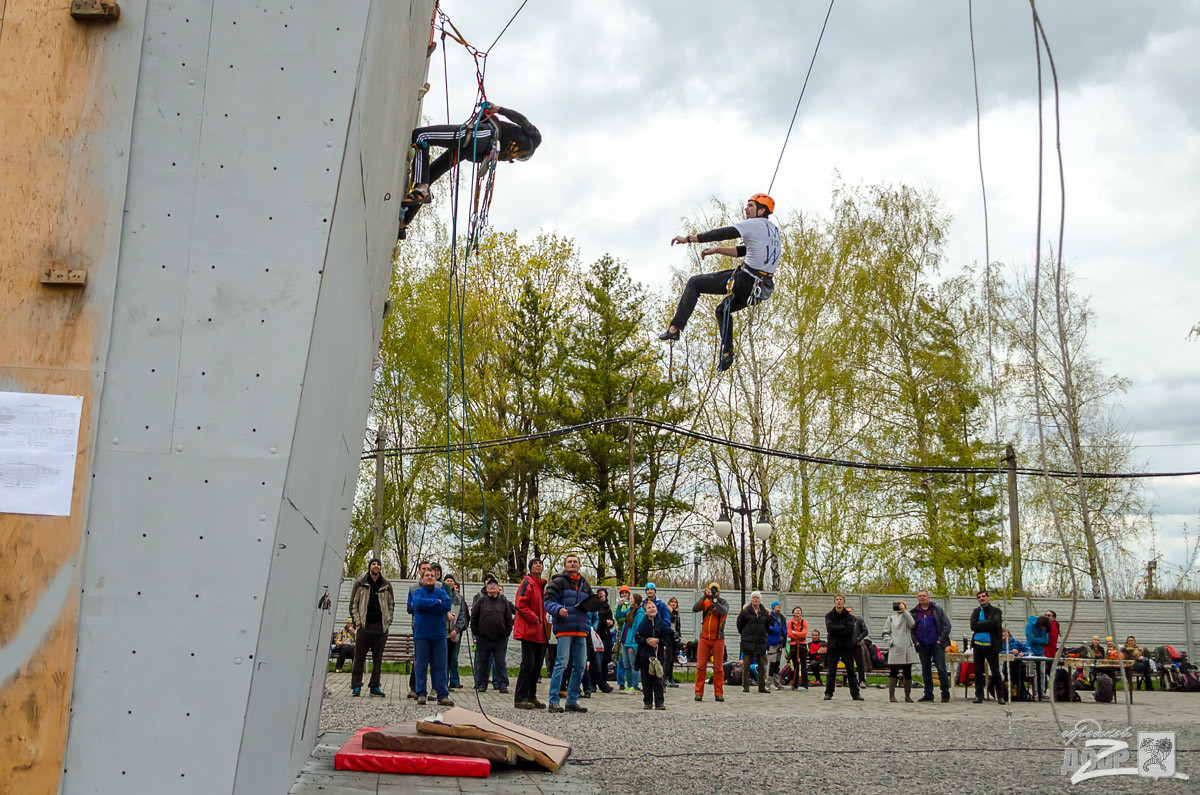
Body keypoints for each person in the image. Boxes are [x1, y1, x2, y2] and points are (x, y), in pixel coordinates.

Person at [660, 194, 782, 371]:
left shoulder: (752, 224)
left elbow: (721, 233)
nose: (746, 209)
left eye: (750, 206)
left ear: (761, 210)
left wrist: (688, 239)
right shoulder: (773, 231)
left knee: (695, 283)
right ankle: (727, 354)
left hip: (745, 281)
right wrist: (718, 250)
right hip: (761, 290)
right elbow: (744, 250)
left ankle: (675, 328)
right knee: (723, 309)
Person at [397, 104, 541, 236]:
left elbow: (522, 120)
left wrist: (498, 109)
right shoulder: (509, 155)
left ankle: (422, 190)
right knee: (432, 173)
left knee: (422, 136)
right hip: (470, 151)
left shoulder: (534, 138)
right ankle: (404, 223)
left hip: (481, 135)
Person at [542, 554, 594, 713]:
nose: (572, 564)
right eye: (570, 562)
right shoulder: (558, 582)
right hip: (565, 628)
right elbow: (547, 602)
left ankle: (571, 701)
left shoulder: (585, 584)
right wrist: (558, 610)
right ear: (565, 565)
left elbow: (590, 605)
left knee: (580, 666)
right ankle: (553, 701)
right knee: (561, 664)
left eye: (575, 562)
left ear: (579, 565)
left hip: (581, 631)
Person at [349, 557, 395, 698]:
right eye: (374, 564)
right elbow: (353, 605)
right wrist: (357, 622)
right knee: (359, 658)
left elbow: (391, 605)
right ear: (369, 567)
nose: (376, 566)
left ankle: (375, 686)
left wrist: (388, 622)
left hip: (380, 628)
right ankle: (356, 685)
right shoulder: (360, 584)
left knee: (378, 660)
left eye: (378, 564)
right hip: (364, 627)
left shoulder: (386, 585)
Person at [410, 567, 455, 707]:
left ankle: (442, 695)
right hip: (422, 635)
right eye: (427, 575)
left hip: (439, 636)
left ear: (435, 579)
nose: (430, 577)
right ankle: (421, 693)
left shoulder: (441, 592)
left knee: (440, 666)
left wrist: (432, 606)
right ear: (422, 579)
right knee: (421, 665)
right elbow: (417, 604)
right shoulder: (417, 592)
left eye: (432, 575)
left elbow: (447, 605)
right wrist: (437, 604)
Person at [513, 557, 548, 709]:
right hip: (528, 630)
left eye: (540, 564)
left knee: (537, 665)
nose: (538, 565)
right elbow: (520, 603)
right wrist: (534, 619)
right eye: (535, 564)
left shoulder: (541, 586)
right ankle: (520, 697)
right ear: (530, 568)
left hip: (540, 632)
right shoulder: (527, 582)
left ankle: (531, 696)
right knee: (528, 664)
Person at [471, 575, 514, 693]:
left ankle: (502, 684)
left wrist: (506, 633)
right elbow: (474, 618)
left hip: (500, 639)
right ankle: (481, 684)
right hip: (483, 638)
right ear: (486, 587)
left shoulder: (504, 601)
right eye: (489, 585)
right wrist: (476, 633)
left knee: (500, 663)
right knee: (482, 662)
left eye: (494, 585)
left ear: (498, 587)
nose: (492, 587)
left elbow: (509, 619)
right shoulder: (481, 601)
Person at [911, 589, 953, 703]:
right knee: (925, 670)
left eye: (924, 596)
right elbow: (911, 629)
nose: (922, 598)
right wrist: (916, 642)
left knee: (941, 669)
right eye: (920, 596)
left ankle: (945, 693)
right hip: (922, 645)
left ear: (929, 597)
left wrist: (940, 640)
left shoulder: (937, 610)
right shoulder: (914, 612)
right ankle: (928, 694)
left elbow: (946, 626)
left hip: (936, 644)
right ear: (917, 598)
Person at [692, 583, 729, 702]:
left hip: (718, 638)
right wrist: (704, 596)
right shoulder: (706, 602)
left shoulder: (723, 603)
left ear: (719, 592)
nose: (714, 592)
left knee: (718, 668)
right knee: (700, 666)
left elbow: (722, 612)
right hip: (704, 638)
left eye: (716, 591)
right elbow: (695, 608)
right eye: (713, 590)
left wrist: (715, 600)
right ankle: (698, 693)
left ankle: (719, 693)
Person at [969, 590, 1005, 704]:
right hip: (978, 646)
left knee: (995, 671)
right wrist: (986, 624)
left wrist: (981, 623)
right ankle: (979, 696)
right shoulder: (976, 611)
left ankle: (1000, 696)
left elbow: (995, 624)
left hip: (992, 646)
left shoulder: (996, 611)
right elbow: (973, 626)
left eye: (983, 596)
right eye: (979, 597)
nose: (981, 598)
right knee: (978, 671)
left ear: (988, 598)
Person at [824, 595, 863, 700]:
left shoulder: (850, 617)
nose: (839, 601)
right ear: (834, 602)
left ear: (844, 602)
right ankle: (828, 693)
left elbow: (850, 630)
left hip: (846, 646)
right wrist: (843, 628)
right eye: (837, 600)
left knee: (851, 670)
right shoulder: (829, 615)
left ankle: (855, 694)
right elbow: (830, 629)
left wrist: (837, 629)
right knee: (831, 671)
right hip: (833, 646)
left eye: (841, 600)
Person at [635, 599, 672, 710]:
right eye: (649, 608)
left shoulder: (662, 624)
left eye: (653, 607)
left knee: (658, 680)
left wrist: (658, 641)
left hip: (658, 656)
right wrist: (647, 641)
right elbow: (637, 638)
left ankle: (659, 702)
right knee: (646, 680)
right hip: (645, 656)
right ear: (645, 612)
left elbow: (667, 638)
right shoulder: (642, 625)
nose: (652, 609)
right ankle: (647, 702)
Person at [404, 560, 432, 699]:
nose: (426, 571)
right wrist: (425, 605)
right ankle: (414, 688)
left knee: (436, 661)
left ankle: (436, 690)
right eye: (423, 569)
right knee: (419, 659)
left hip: (435, 628)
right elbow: (409, 608)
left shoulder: (438, 587)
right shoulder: (413, 588)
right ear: (419, 571)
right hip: (419, 627)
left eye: (428, 568)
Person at [881, 600, 917, 703]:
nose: (899, 607)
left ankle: (907, 695)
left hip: (907, 647)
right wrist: (891, 642)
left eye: (902, 605)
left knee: (907, 672)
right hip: (895, 647)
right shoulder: (891, 618)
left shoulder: (907, 616)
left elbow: (912, 624)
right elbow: (885, 632)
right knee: (893, 671)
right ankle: (891, 695)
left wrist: (904, 612)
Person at [737, 591, 772, 694]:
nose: (755, 599)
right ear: (751, 599)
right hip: (748, 641)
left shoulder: (764, 612)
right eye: (754, 598)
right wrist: (744, 634)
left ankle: (762, 686)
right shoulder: (745, 612)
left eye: (757, 598)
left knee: (762, 665)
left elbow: (768, 625)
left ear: (760, 599)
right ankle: (746, 686)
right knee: (746, 665)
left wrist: (763, 634)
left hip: (760, 642)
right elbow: (739, 624)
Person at [442, 574, 469, 690]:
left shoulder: (459, 598)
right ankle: (442, 683)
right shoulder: (440, 594)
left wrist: (456, 630)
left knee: (451, 658)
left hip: (454, 634)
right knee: (442, 660)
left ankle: (451, 682)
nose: (449, 582)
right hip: (441, 633)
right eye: (447, 580)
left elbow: (463, 616)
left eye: (451, 580)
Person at [619, 594, 645, 694]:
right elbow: (619, 615)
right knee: (626, 665)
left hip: (632, 643)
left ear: (636, 601)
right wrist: (620, 605)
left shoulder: (639, 614)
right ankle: (629, 685)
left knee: (634, 664)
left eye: (631, 598)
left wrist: (634, 645)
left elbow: (638, 630)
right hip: (624, 640)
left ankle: (634, 686)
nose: (629, 600)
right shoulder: (629, 610)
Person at [1025, 614, 1051, 701]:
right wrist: (1040, 639)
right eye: (1043, 627)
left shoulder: (1045, 628)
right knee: (1033, 673)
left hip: (1041, 652)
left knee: (1042, 673)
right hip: (1031, 652)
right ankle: (1035, 692)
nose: (1043, 629)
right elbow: (1030, 640)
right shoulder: (1029, 625)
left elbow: (1046, 641)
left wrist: (1036, 639)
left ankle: (1042, 692)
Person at [595, 588, 617, 690]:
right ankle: (594, 682)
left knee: (604, 660)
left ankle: (603, 681)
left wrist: (611, 622)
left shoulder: (607, 607)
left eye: (603, 594)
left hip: (605, 636)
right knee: (596, 660)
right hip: (596, 635)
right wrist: (605, 622)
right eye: (599, 595)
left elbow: (611, 620)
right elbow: (595, 620)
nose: (601, 596)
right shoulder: (594, 607)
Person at [613, 586, 634, 690]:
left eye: (626, 593)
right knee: (621, 659)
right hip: (621, 632)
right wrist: (626, 619)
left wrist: (626, 619)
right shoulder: (617, 605)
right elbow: (618, 618)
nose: (624, 595)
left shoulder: (632, 605)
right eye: (622, 593)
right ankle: (621, 682)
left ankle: (632, 683)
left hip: (630, 633)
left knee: (631, 660)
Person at [786, 606, 810, 691]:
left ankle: (805, 685)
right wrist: (798, 634)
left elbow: (804, 634)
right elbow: (789, 634)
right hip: (793, 644)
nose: (798, 612)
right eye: (796, 611)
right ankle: (794, 684)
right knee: (794, 664)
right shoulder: (790, 623)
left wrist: (795, 632)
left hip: (802, 644)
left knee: (803, 664)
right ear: (793, 613)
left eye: (799, 611)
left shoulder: (804, 622)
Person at [846, 606, 871, 686]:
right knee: (848, 664)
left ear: (853, 612)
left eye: (850, 611)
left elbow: (865, 631)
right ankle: (850, 681)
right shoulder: (843, 622)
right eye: (847, 612)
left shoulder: (858, 621)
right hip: (847, 646)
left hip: (857, 645)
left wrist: (858, 638)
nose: (848, 613)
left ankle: (862, 681)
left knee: (860, 664)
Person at [766, 600, 787, 689]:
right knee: (772, 662)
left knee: (777, 663)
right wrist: (773, 629)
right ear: (773, 607)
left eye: (780, 605)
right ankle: (768, 682)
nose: (779, 606)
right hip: (772, 642)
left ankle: (776, 681)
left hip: (780, 642)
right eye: (777, 605)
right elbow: (766, 627)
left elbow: (784, 628)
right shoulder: (770, 617)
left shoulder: (782, 618)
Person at [664, 597, 682, 687]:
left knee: (672, 659)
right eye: (671, 602)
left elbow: (678, 626)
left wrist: (679, 635)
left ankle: (670, 677)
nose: (673, 604)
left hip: (675, 637)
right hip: (668, 637)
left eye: (675, 602)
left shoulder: (677, 613)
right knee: (668, 658)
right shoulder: (668, 612)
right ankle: (666, 677)